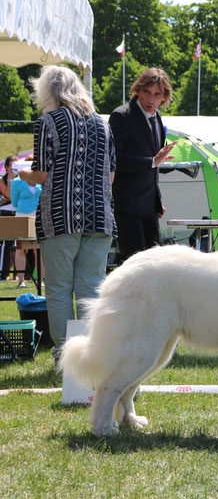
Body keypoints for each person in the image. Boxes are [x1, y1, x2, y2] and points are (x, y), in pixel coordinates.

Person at [19, 65, 117, 361]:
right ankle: (90, 356)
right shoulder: (103, 124)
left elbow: (45, 173)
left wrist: (26, 176)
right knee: (90, 289)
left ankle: (65, 357)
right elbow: (110, 175)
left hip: (60, 216)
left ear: (47, 91)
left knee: (59, 288)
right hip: (100, 216)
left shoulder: (48, 121)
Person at [109, 68, 175, 263]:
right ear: (138, 90)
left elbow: (154, 168)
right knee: (132, 264)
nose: (151, 99)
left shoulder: (158, 117)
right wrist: (152, 162)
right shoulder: (121, 116)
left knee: (152, 265)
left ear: (164, 97)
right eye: (147, 92)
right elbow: (114, 160)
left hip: (149, 207)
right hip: (127, 206)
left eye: (157, 94)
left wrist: (156, 199)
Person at [10, 154, 42, 288]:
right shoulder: (17, 182)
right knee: (21, 249)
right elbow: (14, 202)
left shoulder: (41, 180)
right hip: (22, 216)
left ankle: (39, 280)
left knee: (40, 250)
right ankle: (21, 280)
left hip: (40, 216)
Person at [0, 155, 17, 280]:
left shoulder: (23, 178)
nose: (13, 168)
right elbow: (8, 195)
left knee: (18, 244)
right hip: (5, 213)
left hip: (18, 212)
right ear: (6, 167)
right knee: (6, 244)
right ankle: (4, 273)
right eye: (11, 165)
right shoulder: (2, 179)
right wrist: (10, 180)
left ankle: (20, 274)